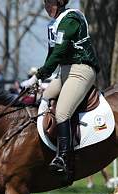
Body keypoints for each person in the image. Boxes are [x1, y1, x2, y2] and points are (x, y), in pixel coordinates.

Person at [21, 0, 100, 178]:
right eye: (45, 3)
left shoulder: (70, 19)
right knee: (45, 98)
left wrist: (38, 75)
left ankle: (64, 157)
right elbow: (52, 54)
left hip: (81, 69)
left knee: (62, 112)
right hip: (65, 71)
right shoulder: (54, 24)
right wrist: (39, 80)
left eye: (50, 2)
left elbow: (59, 52)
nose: (47, 6)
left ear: (59, 3)